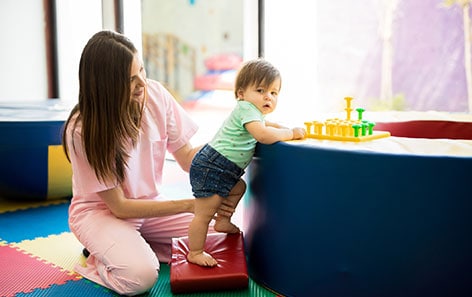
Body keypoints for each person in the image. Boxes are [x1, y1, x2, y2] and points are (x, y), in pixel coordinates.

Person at [62, 30, 234, 296]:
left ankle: (134, 245)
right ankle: (100, 256)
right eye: (130, 80)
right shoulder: (82, 129)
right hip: (102, 213)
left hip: (149, 205)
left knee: (222, 238)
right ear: (106, 86)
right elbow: (119, 207)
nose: (142, 83)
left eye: (141, 70)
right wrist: (190, 205)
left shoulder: (155, 94)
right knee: (139, 277)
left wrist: (230, 145)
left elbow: (188, 159)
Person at [187, 58, 306, 267]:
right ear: (241, 94)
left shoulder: (252, 113)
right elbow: (262, 134)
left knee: (238, 187)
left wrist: (280, 125)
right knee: (204, 213)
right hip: (213, 166)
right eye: (260, 90)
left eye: (274, 92)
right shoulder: (246, 109)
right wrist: (291, 133)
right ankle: (195, 252)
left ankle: (223, 220)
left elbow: (265, 124)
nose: (268, 96)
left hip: (225, 169)